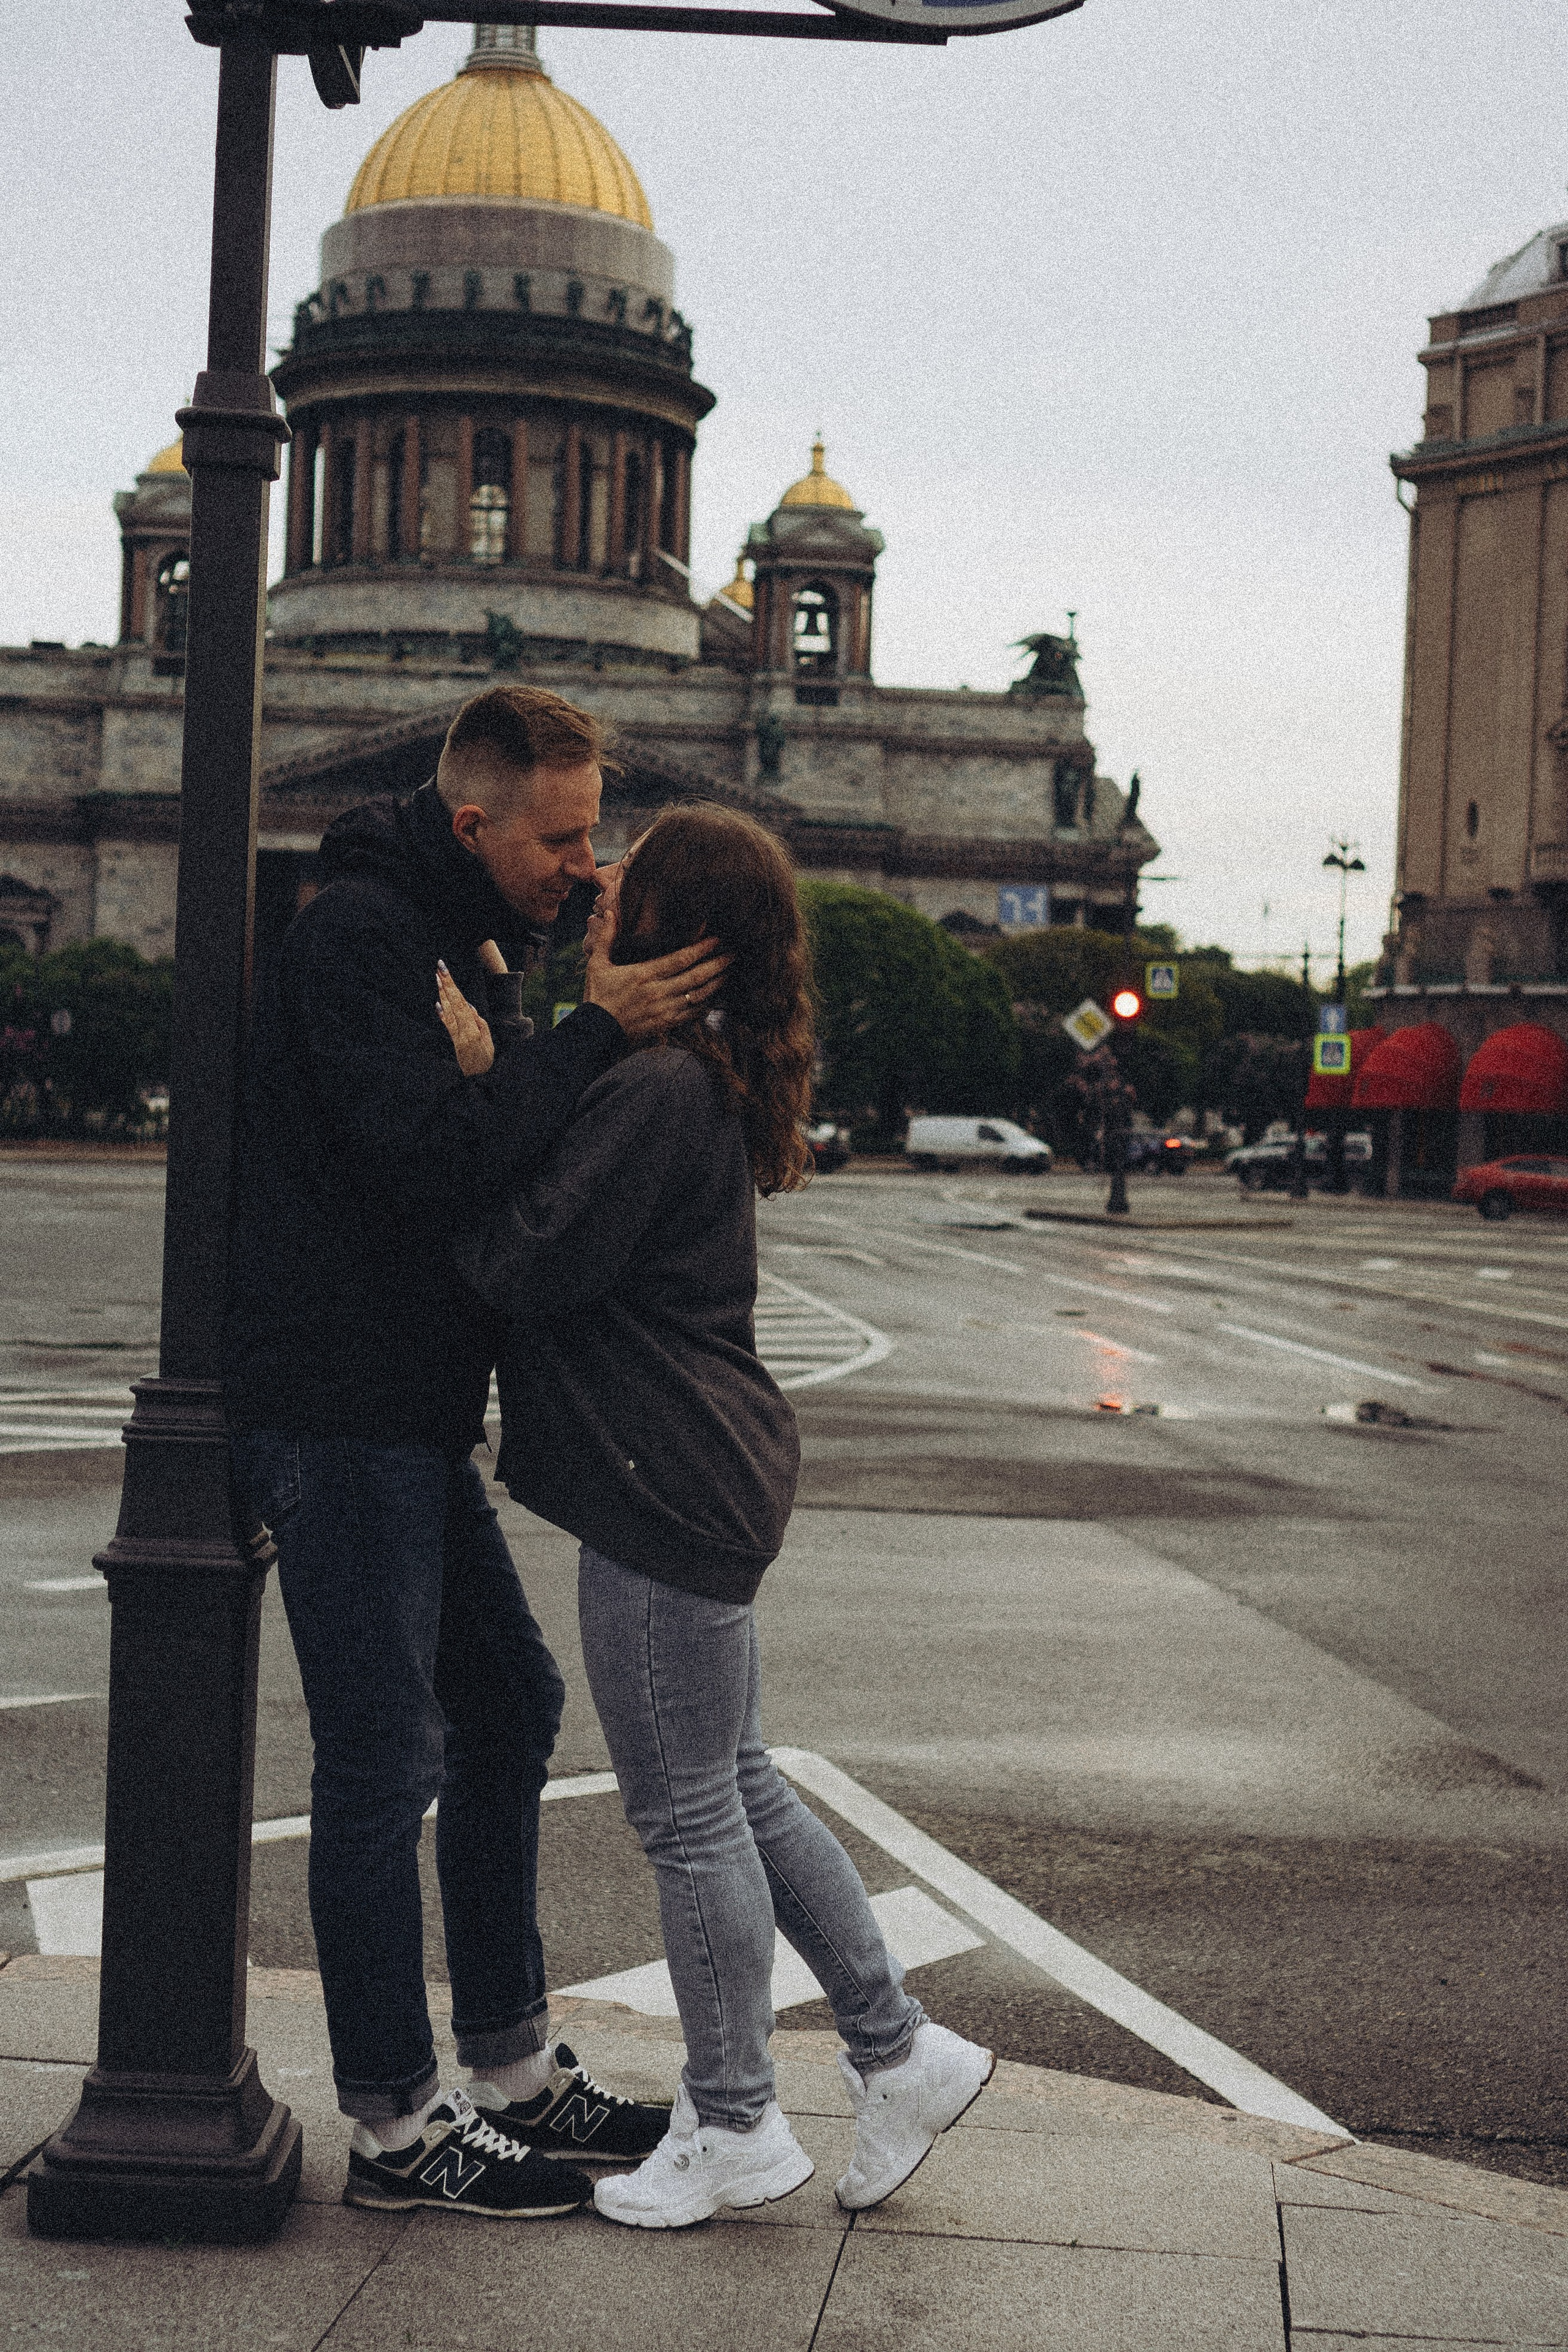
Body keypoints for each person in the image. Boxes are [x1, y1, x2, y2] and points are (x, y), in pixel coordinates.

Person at [440, 803, 994, 2230]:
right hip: (701, 1470)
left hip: (658, 1481)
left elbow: (516, 1259)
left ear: (668, 936)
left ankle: (737, 2118)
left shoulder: (651, 1092)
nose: (593, 902)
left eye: (617, 891)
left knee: (686, 1811)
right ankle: (894, 2048)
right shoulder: (679, 1083)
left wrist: (474, 1097)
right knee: (736, 1781)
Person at [225, 684, 727, 2221]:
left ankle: (509, 2073)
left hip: (402, 1409)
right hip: (338, 1403)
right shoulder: (366, 938)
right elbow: (437, 1164)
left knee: (504, 1704)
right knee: (384, 1758)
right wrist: (579, 1035)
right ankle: (393, 2124)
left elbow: (492, 1135)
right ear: (473, 823)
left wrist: (512, 1043)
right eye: (562, 837)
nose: (586, 865)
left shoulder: (457, 939)